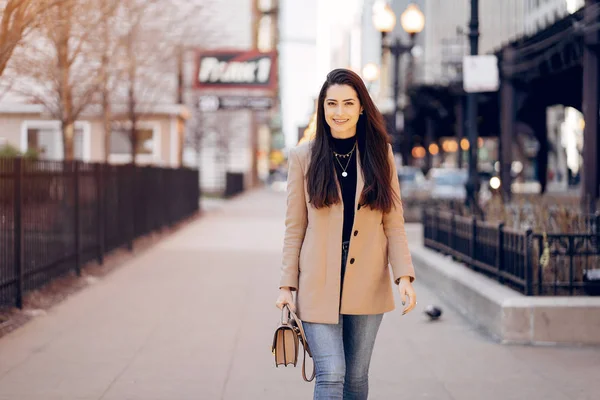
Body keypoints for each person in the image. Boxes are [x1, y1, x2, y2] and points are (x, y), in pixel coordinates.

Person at [275, 68, 417, 399]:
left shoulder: (381, 154)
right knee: (331, 372)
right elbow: (294, 228)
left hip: (367, 280)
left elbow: (393, 222)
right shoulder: (303, 158)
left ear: (362, 107)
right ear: (322, 109)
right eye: (332, 104)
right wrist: (286, 286)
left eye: (348, 103)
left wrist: (404, 277)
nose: (339, 112)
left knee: (355, 377)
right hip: (317, 281)